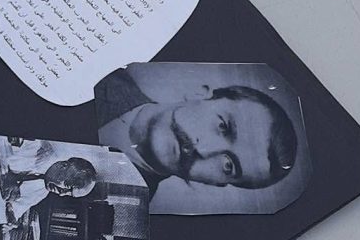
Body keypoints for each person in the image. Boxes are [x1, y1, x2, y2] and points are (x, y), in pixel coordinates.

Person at [96, 67, 298, 197]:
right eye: (223, 127)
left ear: (216, 184)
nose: (203, 149)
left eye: (228, 165)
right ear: (200, 93)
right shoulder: (103, 71)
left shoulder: (116, 208)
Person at [0, 157, 97, 226]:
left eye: (69, 194)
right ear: (64, 166)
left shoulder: (42, 192)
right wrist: (7, 176)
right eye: (67, 186)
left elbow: (13, 213)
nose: (62, 193)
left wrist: (10, 213)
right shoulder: (34, 149)